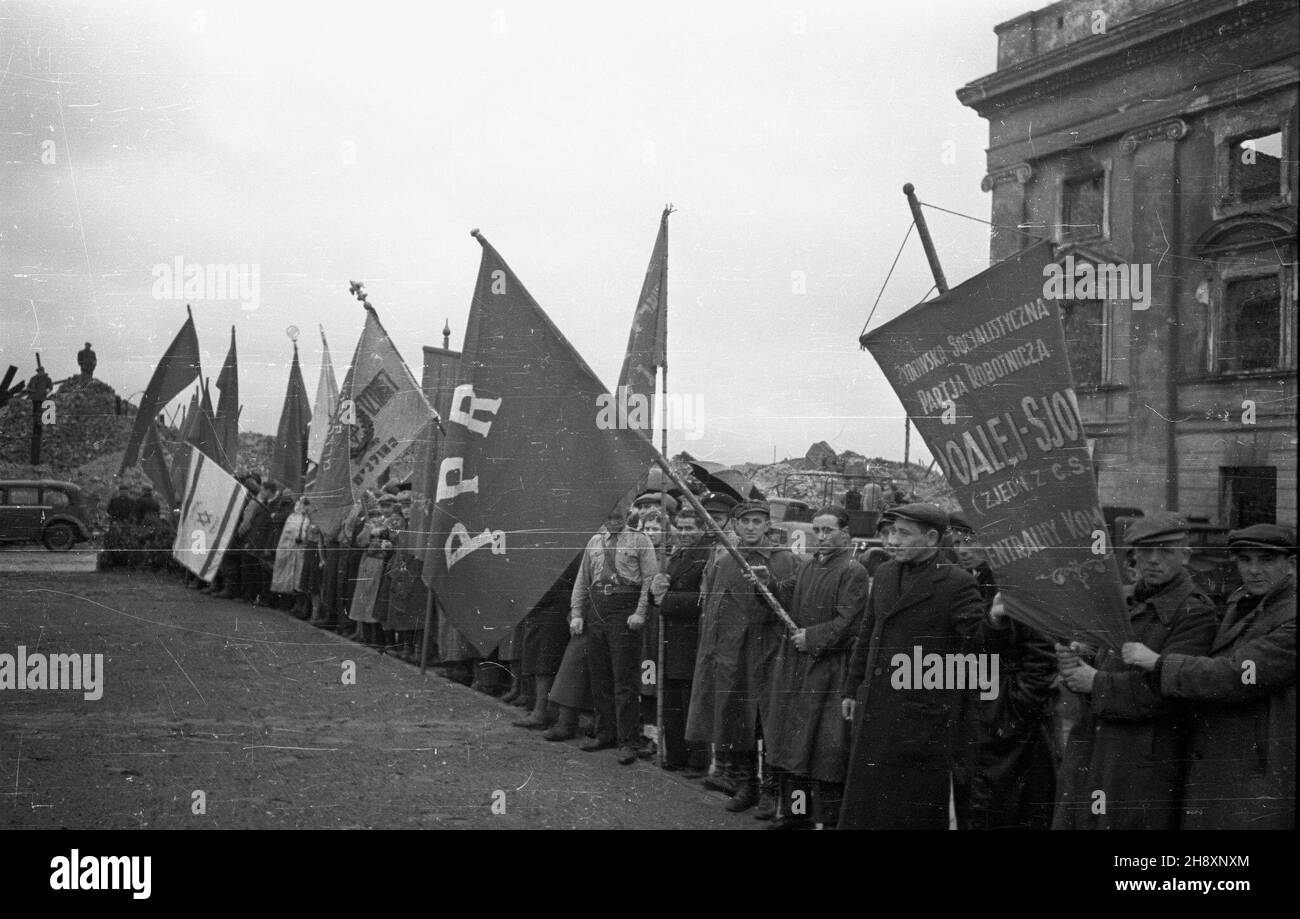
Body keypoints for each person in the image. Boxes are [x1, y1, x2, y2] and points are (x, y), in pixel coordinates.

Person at [838, 503, 1009, 830]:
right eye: (891, 532)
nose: (893, 540)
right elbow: (867, 634)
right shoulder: (886, 572)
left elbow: (975, 646)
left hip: (921, 720)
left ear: (931, 537)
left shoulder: (956, 582)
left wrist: (994, 620)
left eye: (903, 533)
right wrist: (851, 688)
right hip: (876, 707)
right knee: (867, 803)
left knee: (910, 809)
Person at [1122, 523, 1296, 830]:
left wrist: (1159, 663)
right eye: (1245, 559)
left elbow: (1237, 674)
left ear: (1291, 564)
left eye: (1266, 559)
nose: (1254, 570)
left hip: (1261, 768)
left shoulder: (1290, 616)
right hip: (1227, 762)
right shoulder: (1242, 602)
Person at [1052, 512, 1218, 830]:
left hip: (1141, 758)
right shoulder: (1123, 599)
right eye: (1145, 552)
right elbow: (1098, 661)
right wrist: (1076, 661)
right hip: (1095, 747)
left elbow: (1170, 689)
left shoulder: (1195, 611)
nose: (1153, 561)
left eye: (1166, 552)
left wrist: (1095, 682)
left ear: (1185, 556)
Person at [687, 499, 798, 813]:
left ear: (767, 526)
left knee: (768, 725)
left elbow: (791, 607)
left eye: (757, 522)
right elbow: (714, 613)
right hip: (733, 658)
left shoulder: (783, 559)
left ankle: (770, 791)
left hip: (770, 656)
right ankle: (745, 784)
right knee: (738, 722)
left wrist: (770, 587)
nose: (750, 527)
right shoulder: (725, 562)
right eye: (745, 522)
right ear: (735, 525)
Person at [947, 514, 1057, 831]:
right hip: (981, 712)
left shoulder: (1020, 583)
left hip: (1010, 720)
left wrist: (1011, 712)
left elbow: (1041, 657)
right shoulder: (975, 581)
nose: (963, 549)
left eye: (971, 540)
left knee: (1011, 808)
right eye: (957, 543)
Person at [763, 505, 868, 829]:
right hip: (799, 667)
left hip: (830, 670)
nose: (820, 536)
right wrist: (764, 583)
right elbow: (788, 596)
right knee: (795, 746)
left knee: (825, 751)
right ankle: (797, 817)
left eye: (827, 530)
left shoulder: (854, 571)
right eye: (817, 530)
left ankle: (831, 822)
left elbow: (849, 623)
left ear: (845, 534)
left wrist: (811, 638)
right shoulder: (809, 566)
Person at [572, 502, 658, 765]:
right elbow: (582, 580)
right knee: (599, 675)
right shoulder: (594, 542)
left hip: (625, 609)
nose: (613, 521)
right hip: (598, 608)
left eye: (618, 517)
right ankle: (605, 733)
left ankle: (628, 741)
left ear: (627, 516)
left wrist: (640, 612)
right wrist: (576, 613)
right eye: (608, 517)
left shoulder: (640, 541)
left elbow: (649, 579)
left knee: (625, 679)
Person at [648, 506, 713, 775]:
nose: (685, 534)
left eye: (690, 528)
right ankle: (674, 754)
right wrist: (655, 592)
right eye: (681, 528)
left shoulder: (707, 556)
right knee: (672, 699)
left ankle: (697, 760)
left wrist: (667, 600)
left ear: (703, 529)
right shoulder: (676, 555)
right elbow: (660, 595)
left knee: (690, 702)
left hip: (692, 638)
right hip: (671, 639)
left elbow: (704, 600)